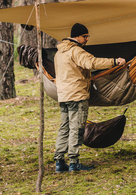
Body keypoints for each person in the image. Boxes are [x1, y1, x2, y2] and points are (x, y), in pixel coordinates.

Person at [53, 23, 126, 172]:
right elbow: (92, 63)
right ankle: (73, 162)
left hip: (63, 95)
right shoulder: (76, 51)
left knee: (64, 128)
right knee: (77, 128)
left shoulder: (59, 53)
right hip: (77, 95)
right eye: (85, 36)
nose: (87, 39)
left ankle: (59, 162)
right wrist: (114, 61)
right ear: (77, 36)